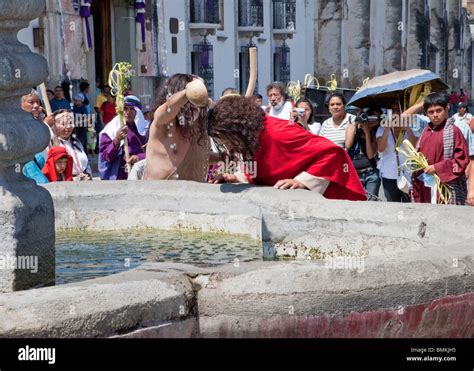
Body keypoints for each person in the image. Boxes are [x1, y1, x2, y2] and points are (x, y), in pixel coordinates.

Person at [208, 96, 366, 201]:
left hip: (332, 205)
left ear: (235, 129)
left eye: (226, 139)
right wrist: (235, 178)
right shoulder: (253, 139)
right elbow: (265, 170)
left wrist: (301, 181)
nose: (227, 146)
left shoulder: (279, 133)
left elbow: (333, 152)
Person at [145, 74, 210, 181]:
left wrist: (221, 157)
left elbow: (193, 159)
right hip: (158, 193)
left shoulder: (194, 128)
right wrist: (189, 91)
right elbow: (170, 106)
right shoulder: (162, 122)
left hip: (191, 193)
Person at [411, 93, 470, 205]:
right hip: (426, 186)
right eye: (431, 112)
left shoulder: (453, 131)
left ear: (447, 109)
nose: (435, 115)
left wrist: (436, 168)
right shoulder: (425, 132)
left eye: (439, 110)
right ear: (426, 113)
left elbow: (461, 160)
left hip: (445, 187)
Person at [376, 101, 419, 202]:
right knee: (392, 205)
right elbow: (380, 149)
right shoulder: (382, 128)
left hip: (408, 173)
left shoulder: (411, 126)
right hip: (389, 174)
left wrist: (407, 129)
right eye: (393, 110)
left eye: (398, 110)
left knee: (409, 205)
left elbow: (416, 147)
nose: (396, 112)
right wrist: (387, 129)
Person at [99, 95, 149, 180]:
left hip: (141, 175)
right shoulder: (110, 130)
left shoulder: (145, 129)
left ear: (137, 111)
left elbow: (152, 152)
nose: (128, 112)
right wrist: (117, 140)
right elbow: (105, 156)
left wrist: (139, 157)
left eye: (131, 109)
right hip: (119, 176)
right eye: (125, 108)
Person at [345, 110, 380, 201]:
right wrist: (356, 125)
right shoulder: (353, 126)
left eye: (374, 119)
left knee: (371, 202)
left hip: (371, 173)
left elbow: (371, 155)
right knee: (354, 202)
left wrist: (367, 133)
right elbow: (348, 145)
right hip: (354, 173)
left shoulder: (376, 132)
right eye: (368, 117)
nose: (370, 121)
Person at [54, 109, 92, 181]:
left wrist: (88, 176)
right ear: (55, 125)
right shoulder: (53, 144)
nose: (68, 127)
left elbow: (86, 164)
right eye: (63, 124)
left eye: (71, 123)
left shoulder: (77, 142)